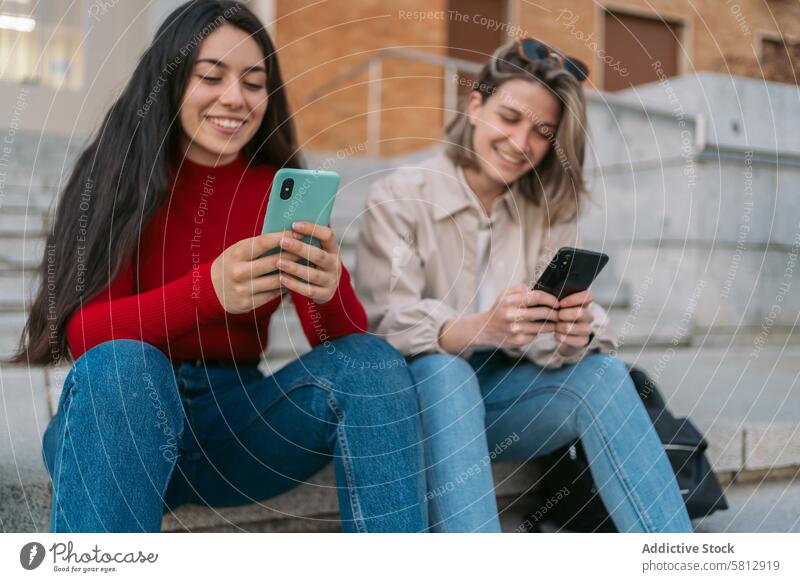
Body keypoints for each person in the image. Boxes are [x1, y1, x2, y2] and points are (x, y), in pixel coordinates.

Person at [12, 0, 426, 533]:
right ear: (172, 81)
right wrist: (206, 292)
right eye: (212, 76)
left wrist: (327, 289)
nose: (235, 97)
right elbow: (83, 332)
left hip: (238, 425)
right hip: (124, 414)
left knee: (372, 361)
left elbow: (340, 343)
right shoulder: (115, 176)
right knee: (123, 367)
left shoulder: (277, 189)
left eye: (254, 83)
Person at [355, 37, 692, 533]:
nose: (520, 144)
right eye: (509, 118)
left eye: (541, 132)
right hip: (420, 408)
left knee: (604, 375)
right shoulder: (400, 195)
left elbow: (565, 331)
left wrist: (575, 332)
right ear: (474, 105)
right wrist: (479, 328)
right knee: (446, 372)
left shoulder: (546, 209)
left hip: (501, 405)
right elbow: (383, 324)